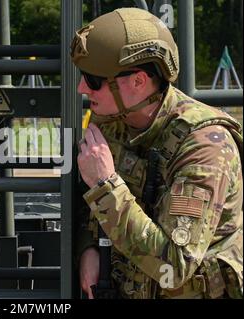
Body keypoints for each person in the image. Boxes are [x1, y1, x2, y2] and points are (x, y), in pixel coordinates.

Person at [71, 7, 243, 299]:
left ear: (138, 81)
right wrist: (88, 248)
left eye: (94, 80)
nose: (81, 88)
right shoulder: (113, 119)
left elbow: (173, 268)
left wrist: (105, 187)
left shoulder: (205, 147)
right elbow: (88, 203)